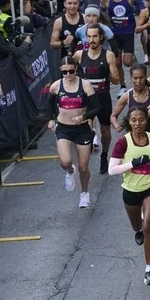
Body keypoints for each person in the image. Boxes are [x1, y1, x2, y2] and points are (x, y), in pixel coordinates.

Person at [108, 108, 150, 286]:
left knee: (147, 225)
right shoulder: (123, 143)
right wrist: (133, 163)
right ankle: (137, 230)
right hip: (130, 191)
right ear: (129, 122)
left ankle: (148, 270)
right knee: (138, 226)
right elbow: (112, 170)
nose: (137, 124)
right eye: (133, 120)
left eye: (141, 120)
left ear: (145, 121)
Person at [46, 57, 98, 209]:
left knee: (83, 167)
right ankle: (69, 172)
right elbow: (49, 105)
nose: (68, 75)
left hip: (82, 129)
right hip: (63, 128)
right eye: (64, 72)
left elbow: (97, 107)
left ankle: (84, 193)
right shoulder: (56, 86)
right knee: (66, 161)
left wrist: (84, 117)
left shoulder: (85, 85)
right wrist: (50, 119)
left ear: (76, 69)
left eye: (71, 71)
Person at [75, 24, 121, 171]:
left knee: (105, 131)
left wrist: (109, 73)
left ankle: (104, 155)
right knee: (88, 127)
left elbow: (116, 80)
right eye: (88, 36)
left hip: (103, 97)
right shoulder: (79, 55)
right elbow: (70, 73)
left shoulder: (108, 55)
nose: (91, 40)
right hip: (87, 99)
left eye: (94, 36)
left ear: (101, 37)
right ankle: (87, 152)